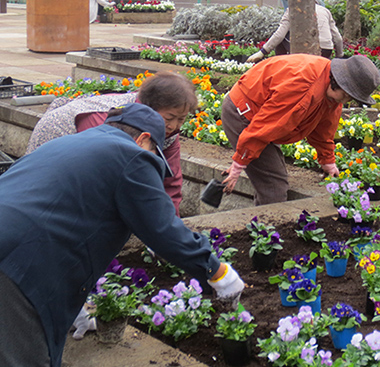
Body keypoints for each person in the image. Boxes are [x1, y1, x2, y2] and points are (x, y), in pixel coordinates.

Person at [0, 103, 244, 367]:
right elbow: (162, 229)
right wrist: (217, 272)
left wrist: (71, 307)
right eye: (155, 152)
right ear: (144, 139)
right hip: (16, 267)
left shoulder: (69, 144)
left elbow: (53, 213)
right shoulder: (132, 155)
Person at [25, 71, 197, 216]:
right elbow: (100, 175)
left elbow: (171, 181)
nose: (174, 125)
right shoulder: (112, 121)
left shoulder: (170, 132)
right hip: (59, 140)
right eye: (169, 118)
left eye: (181, 119)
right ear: (149, 107)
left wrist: (170, 222)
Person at [221, 54, 380, 205]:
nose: (347, 101)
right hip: (243, 114)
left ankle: (261, 227)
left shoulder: (330, 89)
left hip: (261, 118)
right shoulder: (302, 86)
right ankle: (265, 231)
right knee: (274, 185)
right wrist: (238, 165)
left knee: (271, 176)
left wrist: (327, 160)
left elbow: (324, 128)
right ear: (340, 84)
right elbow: (267, 125)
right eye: (348, 96)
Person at [246, 3, 343, 61]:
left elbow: (280, 35)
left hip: (305, 50)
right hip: (326, 50)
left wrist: (262, 52)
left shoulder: (292, 9)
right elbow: (337, 38)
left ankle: (283, 67)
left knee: (283, 37)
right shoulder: (325, 11)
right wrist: (339, 58)